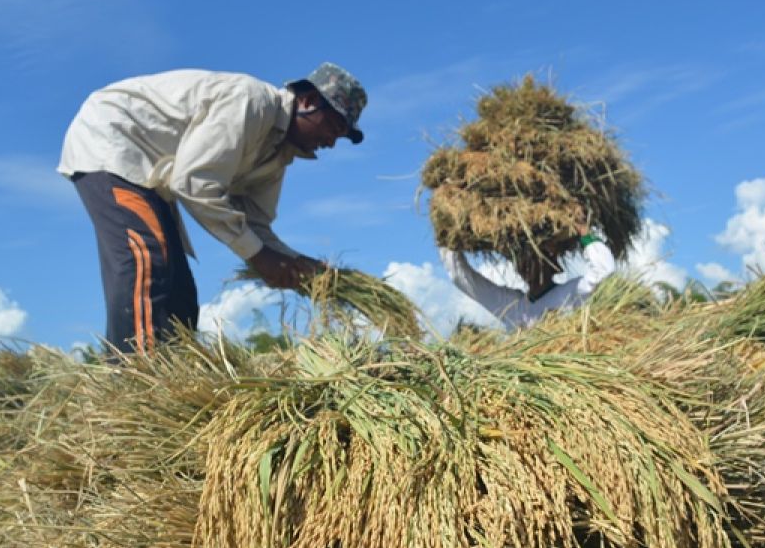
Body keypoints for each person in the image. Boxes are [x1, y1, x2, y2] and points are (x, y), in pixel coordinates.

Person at [57, 63, 367, 353]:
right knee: (146, 261)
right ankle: (132, 385)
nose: (332, 142)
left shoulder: (276, 157)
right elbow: (193, 182)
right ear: (309, 101)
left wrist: (296, 263)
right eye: (335, 126)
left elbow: (255, 226)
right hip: (114, 139)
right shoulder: (251, 103)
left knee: (180, 297)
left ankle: (174, 380)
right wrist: (261, 257)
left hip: (153, 176)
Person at [439, 224, 616, 330]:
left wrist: (584, 232)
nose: (525, 265)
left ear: (552, 262)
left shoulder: (571, 294)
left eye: (534, 258)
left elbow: (604, 271)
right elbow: (460, 278)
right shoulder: (514, 308)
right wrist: (448, 243)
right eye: (521, 259)